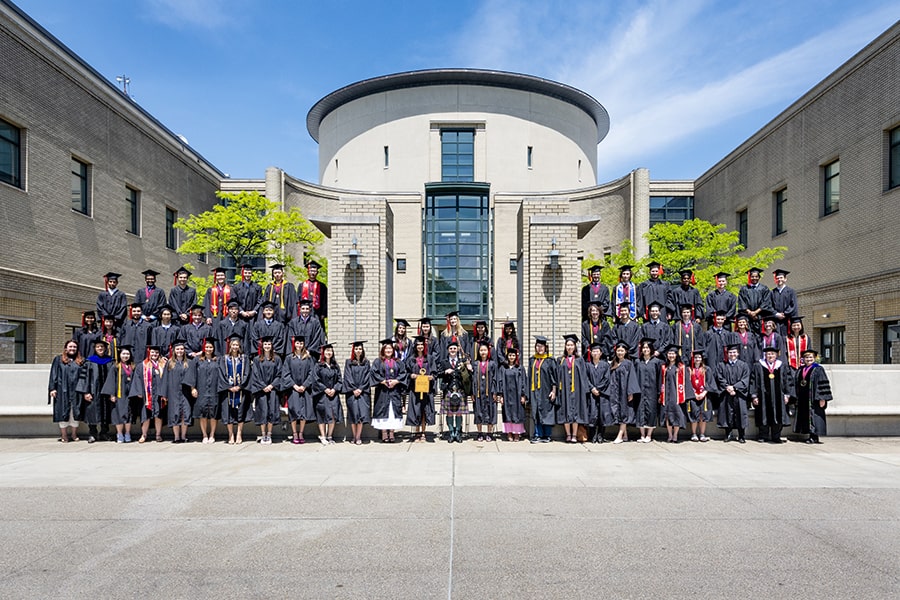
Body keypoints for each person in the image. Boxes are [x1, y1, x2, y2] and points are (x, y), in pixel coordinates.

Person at [750, 346, 792, 443]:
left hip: (779, 396)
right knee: (763, 415)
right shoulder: (758, 366)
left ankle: (776, 436)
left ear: (776, 355)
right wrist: (754, 395)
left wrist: (787, 394)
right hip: (763, 396)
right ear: (765, 355)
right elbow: (753, 381)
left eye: (772, 354)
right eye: (768, 354)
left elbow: (787, 381)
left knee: (778, 415)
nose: (770, 356)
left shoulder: (782, 366)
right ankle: (763, 436)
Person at [185, 339, 221, 444]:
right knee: (203, 413)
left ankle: (212, 435)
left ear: (213, 348)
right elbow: (192, 374)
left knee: (214, 414)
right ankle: (204, 435)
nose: (208, 349)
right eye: (207, 347)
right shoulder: (197, 360)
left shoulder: (217, 360)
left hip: (214, 391)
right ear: (203, 348)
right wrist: (193, 388)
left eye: (210, 347)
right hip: (201, 390)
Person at [372, 338, 407, 443]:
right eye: (386, 348)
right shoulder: (378, 361)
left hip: (394, 391)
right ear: (383, 349)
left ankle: (391, 433)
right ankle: (384, 433)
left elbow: (403, 373)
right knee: (383, 411)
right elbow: (374, 373)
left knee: (393, 411)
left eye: (390, 348)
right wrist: (382, 381)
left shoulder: (397, 361)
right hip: (382, 391)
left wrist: (396, 381)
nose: (388, 350)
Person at [48, 340, 85, 442]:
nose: (72, 349)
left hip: (76, 390)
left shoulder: (81, 360)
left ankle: (74, 434)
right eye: (70, 347)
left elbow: (84, 376)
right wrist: (52, 388)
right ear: (66, 348)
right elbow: (53, 374)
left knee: (75, 412)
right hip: (62, 390)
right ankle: (64, 435)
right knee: (63, 411)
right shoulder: (58, 359)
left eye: (74, 347)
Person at [77, 339, 113, 443]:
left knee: (106, 412)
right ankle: (92, 433)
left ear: (105, 349)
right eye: (98, 347)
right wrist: (86, 392)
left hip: (107, 392)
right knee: (92, 412)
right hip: (93, 391)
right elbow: (84, 378)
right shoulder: (89, 362)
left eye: (102, 347)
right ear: (95, 349)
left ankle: (104, 433)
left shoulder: (110, 361)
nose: (100, 348)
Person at [129, 344, 166, 443]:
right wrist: (139, 392)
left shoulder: (163, 365)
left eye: (157, 352)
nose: (155, 354)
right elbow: (137, 379)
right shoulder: (142, 365)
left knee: (158, 415)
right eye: (153, 352)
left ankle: (158, 435)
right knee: (145, 416)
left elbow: (166, 379)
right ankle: (144, 435)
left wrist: (165, 392)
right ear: (149, 353)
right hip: (146, 395)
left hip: (159, 395)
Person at [793, 349, 832, 444]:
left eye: (810, 357)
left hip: (814, 398)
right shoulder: (801, 369)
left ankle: (814, 437)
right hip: (803, 398)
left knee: (814, 416)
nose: (808, 359)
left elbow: (823, 383)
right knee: (806, 416)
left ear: (814, 358)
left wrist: (822, 398)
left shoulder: (818, 369)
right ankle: (809, 434)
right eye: (806, 357)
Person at [282, 336, 316, 445]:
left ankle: (301, 433)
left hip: (305, 389)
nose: (299, 345)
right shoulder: (289, 358)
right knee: (293, 411)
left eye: (301, 343)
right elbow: (286, 374)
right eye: (297, 343)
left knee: (304, 412)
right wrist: (294, 386)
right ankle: (294, 433)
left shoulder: (308, 357)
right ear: (294, 344)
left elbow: (312, 373)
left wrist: (305, 385)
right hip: (293, 390)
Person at [556, 334, 590, 443]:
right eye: (568, 345)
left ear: (575, 347)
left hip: (577, 391)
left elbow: (584, 376)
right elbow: (557, 376)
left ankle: (575, 435)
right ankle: (568, 435)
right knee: (565, 411)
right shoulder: (560, 360)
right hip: (565, 390)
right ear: (565, 347)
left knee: (576, 412)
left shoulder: (580, 360)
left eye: (571, 345)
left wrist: (585, 391)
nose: (569, 347)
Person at [250, 336, 283, 445]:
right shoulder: (257, 359)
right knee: (262, 411)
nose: (267, 346)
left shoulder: (277, 359)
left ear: (272, 346)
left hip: (272, 389)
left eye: (269, 344)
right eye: (265, 344)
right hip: (261, 390)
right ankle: (263, 434)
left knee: (271, 411)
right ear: (262, 346)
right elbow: (255, 375)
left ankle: (269, 434)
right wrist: (263, 386)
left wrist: (271, 385)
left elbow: (279, 374)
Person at [605, 341, 640, 444]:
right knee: (618, 412)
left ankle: (619, 436)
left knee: (624, 413)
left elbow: (632, 379)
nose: (620, 353)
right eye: (618, 351)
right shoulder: (613, 363)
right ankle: (625, 435)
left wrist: (631, 392)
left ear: (625, 352)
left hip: (624, 392)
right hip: (615, 392)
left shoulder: (628, 363)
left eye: (622, 351)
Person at [220, 333, 251, 445]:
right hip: (228, 391)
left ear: (239, 346)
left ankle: (239, 433)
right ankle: (230, 434)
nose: (235, 347)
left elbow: (247, 373)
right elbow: (222, 373)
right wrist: (229, 387)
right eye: (233, 345)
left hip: (241, 390)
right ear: (230, 346)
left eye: (237, 345)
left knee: (240, 412)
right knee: (228, 413)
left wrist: (240, 386)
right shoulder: (224, 359)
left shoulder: (244, 358)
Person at [437, 339, 471, 443]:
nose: (452, 350)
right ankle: (451, 433)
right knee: (450, 413)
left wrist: (468, 368)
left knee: (459, 413)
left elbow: (468, 376)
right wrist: (445, 372)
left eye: (454, 348)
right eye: (451, 348)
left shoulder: (462, 361)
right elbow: (437, 374)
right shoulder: (444, 362)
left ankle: (458, 433)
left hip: (460, 390)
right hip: (448, 390)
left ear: (458, 350)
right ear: (448, 350)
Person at [716, 343, 751, 443]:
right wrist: (727, 387)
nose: (732, 354)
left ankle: (741, 435)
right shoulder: (721, 365)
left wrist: (734, 388)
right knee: (727, 413)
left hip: (739, 394)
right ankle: (728, 434)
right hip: (726, 393)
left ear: (738, 353)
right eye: (730, 352)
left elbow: (745, 379)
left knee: (740, 413)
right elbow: (719, 378)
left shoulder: (743, 365)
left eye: (734, 352)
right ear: (727, 353)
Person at [102, 345, 136, 443]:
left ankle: (128, 433)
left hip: (130, 394)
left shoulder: (132, 366)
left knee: (129, 414)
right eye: (124, 354)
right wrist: (112, 394)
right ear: (120, 355)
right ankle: (120, 434)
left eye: (127, 354)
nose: (126, 356)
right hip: (119, 394)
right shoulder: (115, 366)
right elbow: (111, 381)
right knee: (119, 414)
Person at [405, 336, 435, 442]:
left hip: (426, 389)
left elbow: (434, 372)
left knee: (424, 411)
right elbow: (406, 372)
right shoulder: (411, 359)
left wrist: (431, 377)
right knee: (416, 410)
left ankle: (423, 432)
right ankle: (416, 432)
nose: (420, 347)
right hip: (415, 389)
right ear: (415, 346)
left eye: (422, 345)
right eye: (418, 345)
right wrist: (411, 375)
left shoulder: (430, 358)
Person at [527, 336, 557, 443]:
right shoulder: (532, 360)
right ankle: (537, 435)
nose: (540, 348)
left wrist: (554, 391)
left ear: (545, 347)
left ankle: (547, 435)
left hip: (546, 390)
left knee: (547, 412)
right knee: (536, 412)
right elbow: (529, 376)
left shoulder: (550, 360)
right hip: (535, 391)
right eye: (538, 346)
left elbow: (554, 377)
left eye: (542, 346)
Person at [660, 344, 692, 443]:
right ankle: (669, 435)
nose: (671, 355)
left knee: (677, 415)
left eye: (673, 353)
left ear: (676, 355)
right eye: (669, 353)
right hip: (666, 395)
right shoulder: (664, 367)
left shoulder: (681, 367)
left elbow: (686, 382)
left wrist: (686, 396)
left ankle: (675, 435)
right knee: (667, 415)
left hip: (677, 396)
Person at [495, 347, 527, 442]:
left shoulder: (520, 368)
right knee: (507, 413)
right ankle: (509, 433)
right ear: (507, 356)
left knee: (517, 414)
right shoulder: (503, 368)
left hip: (517, 395)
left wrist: (523, 395)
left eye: (513, 355)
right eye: (510, 355)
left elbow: (524, 382)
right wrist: (500, 395)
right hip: (506, 395)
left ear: (516, 356)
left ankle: (517, 434)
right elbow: (500, 381)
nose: (511, 357)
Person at [313, 343, 343, 445]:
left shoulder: (335, 366)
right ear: (323, 352)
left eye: (330, 351)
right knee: (321, 415)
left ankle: (329, 436)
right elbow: (316, 380)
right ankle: (323, 436)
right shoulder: (318, 366)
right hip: (322, 394)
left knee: (333, 414)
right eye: (326, 351)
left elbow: (340, 380)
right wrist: (325, 389)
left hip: (333, 394)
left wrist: (334, 389)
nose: (328, 353)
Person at [163, 341, 193, 443]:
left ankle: (183, 436)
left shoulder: (188, 362)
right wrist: (165, 394)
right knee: (174, 413)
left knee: (185, 413)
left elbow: (192, 378)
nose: (180, 351)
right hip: (173, 392)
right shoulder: (169, 363)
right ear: (174, 351)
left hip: (185, 392)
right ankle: (176, 437)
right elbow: (165, 379)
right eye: (177, 349)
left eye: (181, 349)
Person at [343, 341, 372, 445]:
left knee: (361, 415)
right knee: (353, 415)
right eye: (356, 349)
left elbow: (368, 377)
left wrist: (361, 389)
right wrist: (354, 389)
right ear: (353, 350)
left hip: (363, 393)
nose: (358, 351)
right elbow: (347, 376)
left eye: (360, 349)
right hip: (352, 393)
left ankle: (358, 436)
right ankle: (354, 436)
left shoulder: (366, 362)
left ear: (362, 350)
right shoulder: (348, 362)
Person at [634, 338, 662, 443]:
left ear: (651, 349)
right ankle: (642, 435)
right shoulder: (637, 362)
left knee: (651, 411)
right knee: (640, 411)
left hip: (652, 391)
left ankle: (649, 435)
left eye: (647, 348)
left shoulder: (656, 362)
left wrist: (659, 392)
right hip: (640, 391)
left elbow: (659, 377)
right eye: (644, 348)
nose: (645, 350)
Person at [471, 340, 498, 441]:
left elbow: (495, 378)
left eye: (485, 350)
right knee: (478, 412)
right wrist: (473, 393)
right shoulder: (476, 364)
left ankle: (489, 433)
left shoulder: (492, 364)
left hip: (489, 392)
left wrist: (495, 392)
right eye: (481, 350)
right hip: (478, 392)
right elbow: (473, 379)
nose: (483, 352)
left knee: (490, 411)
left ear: (488, 351)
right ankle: (480, 433)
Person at [584, 342, 611, 443]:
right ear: (590, 353)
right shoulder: (587, 365)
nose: (595, 353)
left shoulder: (605, 365)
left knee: (602, 414)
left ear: (600, 353)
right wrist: (592, 388)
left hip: (602, 394)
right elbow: (585, 378)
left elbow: (607, 378)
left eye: (597, 351)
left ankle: (601, 435)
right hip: (591, 394)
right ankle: (593, 436)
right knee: (592, 414)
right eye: (593, 351)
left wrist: (598, 389)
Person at [687, 350, 716, 442]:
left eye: (699, 357)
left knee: (702, 416)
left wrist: (704, 393)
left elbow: (710, 382)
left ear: (702, 359)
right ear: (693, 358)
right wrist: (694, 394)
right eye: (695, 357)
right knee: (694, 415)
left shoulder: (706, 369)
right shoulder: (689, 370)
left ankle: (702, 434)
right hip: (693, 397)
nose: (697, 359)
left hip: (704, 397)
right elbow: (686, 384)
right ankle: (694, 434)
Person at [737, 267, 773, 335]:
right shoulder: (744, 289)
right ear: (749, 277)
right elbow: (742, 302)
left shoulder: (764, 288)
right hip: (748, 318)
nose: (754, 278)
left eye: (756, 276)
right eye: (752, 276)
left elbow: (766, 302)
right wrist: (750, 312)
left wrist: (756, 312)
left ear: (759, 277)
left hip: (760, 317)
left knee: (760, 337)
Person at [299, 259, 328, 328]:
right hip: (305, 313)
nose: (312, 273)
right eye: (311, 271)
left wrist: (323, 313)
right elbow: (298, 299)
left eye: (314, 271)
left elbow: (325, 300)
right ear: (308, 272)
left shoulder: (322, 286)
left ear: (317, 272)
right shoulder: (302, 285)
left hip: (318, 313)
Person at [770, 268, 798, 337]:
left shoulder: (791, 291)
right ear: (775, 280)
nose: (779, 280)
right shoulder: (772, 293)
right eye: (777, 278)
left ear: (785, 279)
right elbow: (769, 306)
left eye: (781, 278)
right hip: (776, 321)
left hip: (787, 321)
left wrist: (785, 314)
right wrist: (776, 314)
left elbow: (793, 305)